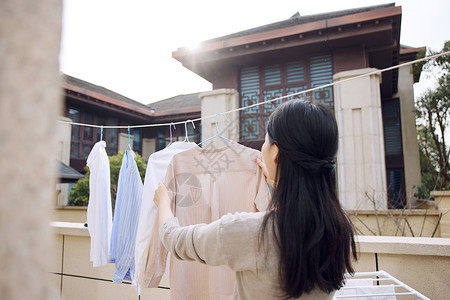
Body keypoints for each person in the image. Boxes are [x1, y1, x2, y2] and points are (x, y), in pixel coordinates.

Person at [154, 99, 357, 299]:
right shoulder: (338, 228)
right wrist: (279, 180)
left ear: (275, 152)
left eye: (266, 141)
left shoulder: (250, 232)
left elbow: (175, 240)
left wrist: (164, 202)